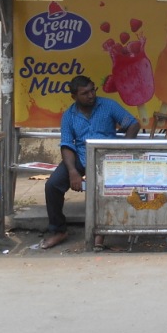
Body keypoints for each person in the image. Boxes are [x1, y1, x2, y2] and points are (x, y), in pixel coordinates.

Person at [41, 74, 140, 249]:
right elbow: (66, 144)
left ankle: (101, 231)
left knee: (105, 187)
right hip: (80, 157)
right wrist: (73, 172)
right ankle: (58, 230)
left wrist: (122, 150)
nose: (91, 95)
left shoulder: (108, 105)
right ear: (74, 96)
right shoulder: (69, 115)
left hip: (107, 158)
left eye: (93, 90)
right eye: (85, 93)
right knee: (52, 185)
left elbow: (132, 123)